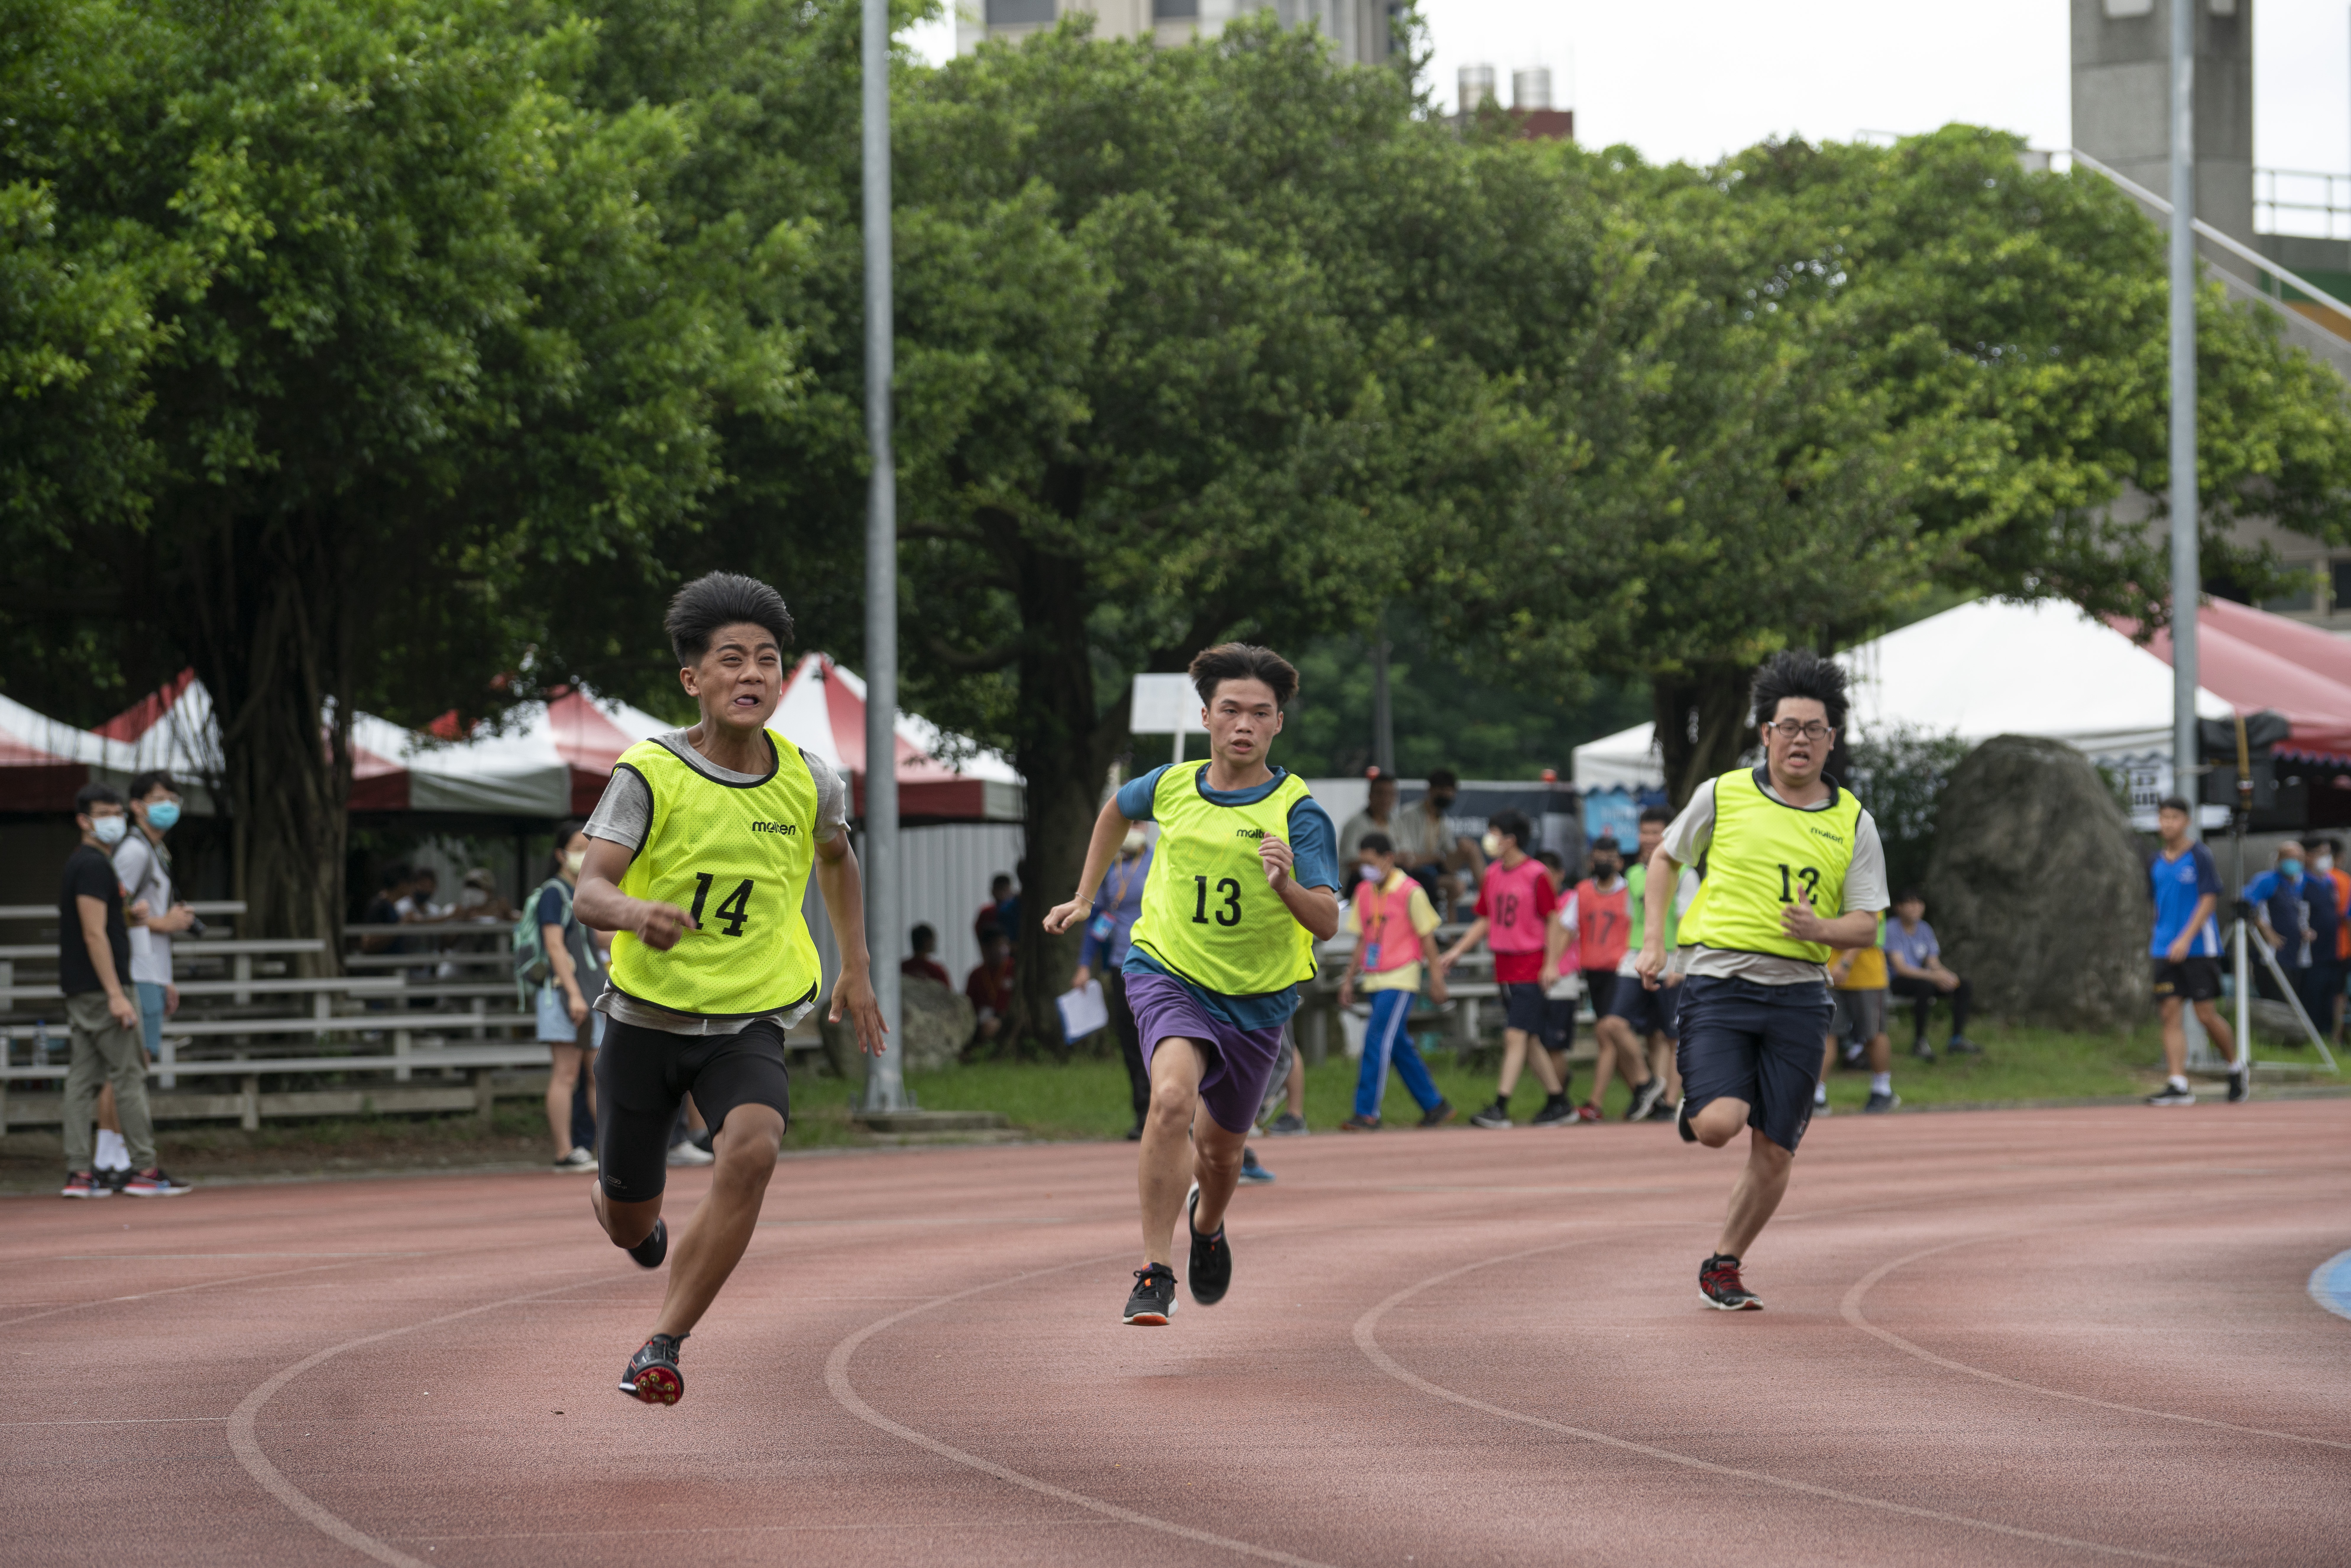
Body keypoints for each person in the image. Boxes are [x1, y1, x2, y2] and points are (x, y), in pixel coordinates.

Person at [571, 571, 887, 1404]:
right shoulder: (650, 773)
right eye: (733, 661)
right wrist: (637, 912)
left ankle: (663, 1343)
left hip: (748, 1016)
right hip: (646, 1018)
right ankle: (625, 1218)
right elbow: (589, 889)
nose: (753, 676)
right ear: (694, 679)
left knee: (752, 1148)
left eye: (769, 662)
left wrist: (855, 967)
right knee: (630, 1218)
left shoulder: (812, 779)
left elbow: (836, 858)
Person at [1042, 643, 1340, 1326]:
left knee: (1221, 1151)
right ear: (1206, 715)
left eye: (1259, 713)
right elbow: (1117, 809)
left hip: (1257, 999)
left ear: (1277, 725)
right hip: (1167, 968)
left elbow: (1326, 921)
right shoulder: (1171, 784)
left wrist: (1286, 883)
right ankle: (1155, 1270)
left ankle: (1208, 1224)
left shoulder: (1300, 813)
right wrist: (1085, 896)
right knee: (1170, 1097)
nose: (1243, 724)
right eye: (1230, 709)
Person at [1636, 650, 1889, 1311]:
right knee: (1721, 1124)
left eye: (1814, 729)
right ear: (1765, 734)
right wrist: (1655, 940)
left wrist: (1821, 931)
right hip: (1719, 981)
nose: (1800, 740)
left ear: (1832, 740)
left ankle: (1723, 1264)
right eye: (1788, 727)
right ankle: (1701, 1112)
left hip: (1801, 995)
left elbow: (1865, 925)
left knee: (1775, 1152)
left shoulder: (1853, 821)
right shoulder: (1723, 794)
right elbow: (1665, 858)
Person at [59, 783, 190, 1200]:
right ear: (83, 820)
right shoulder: (95, 866)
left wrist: (129, 916)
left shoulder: (86, 864)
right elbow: (94, 934)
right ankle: (143, 1167)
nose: (113, 820)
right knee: (130, 1073)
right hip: (103, 988)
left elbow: (102, 924)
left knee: (82, 1079)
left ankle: (80, 1172)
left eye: (117, 812)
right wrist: (116, 992)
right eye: (104, 813)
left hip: (83, 986)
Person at [1442, 811, 1569, 1129]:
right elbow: (1485, 919)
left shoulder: (1536, 874)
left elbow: (1552, 919)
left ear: (1510, 839)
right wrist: (1458, 950)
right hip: (1504, 964)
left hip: (1529, 961)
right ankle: (1558, 1102)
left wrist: (1551, 963)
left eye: (1494, 833)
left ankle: (1500, 1105)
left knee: (1515, 1035)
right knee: (1528, 1039)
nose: (1490, 840)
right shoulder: (1494, 874)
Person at [1338, 831, 1453, 1130]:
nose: (1365, 868)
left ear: (1388, 859)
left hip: (1401, 976)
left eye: (1370, 862)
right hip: (1374, 978)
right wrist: (1348, 980)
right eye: (1362, 863)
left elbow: (1427, 938)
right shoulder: (1364, 892)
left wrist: (1436, 979)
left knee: (1376, 1039)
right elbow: (1363, 939)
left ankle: (1366, 1112)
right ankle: (1434, 1104)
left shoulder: (1410, 891)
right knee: (1397, 1044)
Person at [111, 771, 195, 1177]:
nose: (169, 806)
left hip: (152, 970)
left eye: (174, 798)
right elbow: (115, 913)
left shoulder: (157, 852)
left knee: (134, 1066)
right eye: (159, 798)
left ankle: (116, 1155)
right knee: (129, 1067)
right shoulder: (134, 852)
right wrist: (167, 923)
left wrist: (167, 977)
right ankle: (115, 1157)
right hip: (136, 969)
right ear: (137, 806)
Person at [2146, 797, 2242, 1105]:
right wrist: (2160, 937)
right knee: (2168, 1013)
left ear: (2185, 821)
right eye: (2163, 818)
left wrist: (2185, 939)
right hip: (2163, 948)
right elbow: (2155, 904)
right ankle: (2178, 1083)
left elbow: (2208, 900)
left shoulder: (2199, 855)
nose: (2167, 824)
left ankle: (2234, 1066)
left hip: (2198, 948)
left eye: (2173, 818)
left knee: (2204, 1015)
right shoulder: (2155, 861)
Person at [1589, 814, 1679, 1124]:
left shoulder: (1683, 870)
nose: (1650, 838)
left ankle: (1668, 1102)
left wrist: (1680, 963)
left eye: (1657, 832)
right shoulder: (1634, 874)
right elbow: (1634, 918)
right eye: (1645, 832)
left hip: (1670, 959)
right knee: (1612, 1024)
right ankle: (1647, 1083)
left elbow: (1687, 920)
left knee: (1669, 1036)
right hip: (1636, 958)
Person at [527, 820, 605, 1172]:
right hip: (563, 995)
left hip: (589, 992)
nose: (585, 854)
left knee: (597, 1074)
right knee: (566, 1073)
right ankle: (564, 1151)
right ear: (561, 855)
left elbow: (600, 940)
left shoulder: (582, 892)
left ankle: (607, 1151)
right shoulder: (553, 893)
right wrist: (574, 995)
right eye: (578, 847)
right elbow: (555, 946)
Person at [1072, 827, 1154, 1138]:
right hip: (1121, 965)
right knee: (1130, 1042)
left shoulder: (1159, 860)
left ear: (1145, 829)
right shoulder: (1111, 866)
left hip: (1156, 966)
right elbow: (1100, 919)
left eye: (1137, 825)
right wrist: (1084, 964)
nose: (1132, 832)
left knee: (1157, 1039)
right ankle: (1142, 1113)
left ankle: (1168, 1111)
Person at [1555, 836, 1633, 1122]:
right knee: (1611, 1037)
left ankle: (1595, 1103)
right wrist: (1553, 964)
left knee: (1606, 1034)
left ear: (1619, 862)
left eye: (1610, 857)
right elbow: (1566, 928)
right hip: (1595, 973)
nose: (1604, 862)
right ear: (1590, 861)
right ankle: (1643, 1092)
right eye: (1599, 856)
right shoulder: (1582, 893)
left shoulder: (1629, 893)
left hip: (1622, 971)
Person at [2246, 840, 2339, 1041]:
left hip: (2294, 955)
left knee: (2292, 1001)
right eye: (2289, 857)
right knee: (2275, 1001)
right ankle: (2272, 1042)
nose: (2294, 862)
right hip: (2271, 955)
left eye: (2298, 858)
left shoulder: (2298, 883)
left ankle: (2289, 1042)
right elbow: (2248, 906)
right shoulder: (2267, 880)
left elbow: (2297, 914)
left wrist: (2305, 932)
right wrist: (2267, 932)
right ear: (2279, 859)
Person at [1884, 892, 1975, 1060]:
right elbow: (1901, 968)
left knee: (1963, 985)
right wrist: (1934, 977)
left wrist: (1946, 976)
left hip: (1923, 978)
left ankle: (1957, 1040)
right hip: (1897, 981)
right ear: (1898, 908)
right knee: (1924, 987)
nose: (1916, 908)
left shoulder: (1925, 928)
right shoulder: (1891, 928)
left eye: (1919, 903)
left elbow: (1933, 962)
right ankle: (1920, 1042)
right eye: (1910, 903)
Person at [1821, 918, 1897, 1114]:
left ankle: (1882, 1090)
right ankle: (1816, 1095)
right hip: (1829, 972)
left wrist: (1845, 963)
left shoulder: (1868, 886)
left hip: (1867, 976)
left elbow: (1867, 927)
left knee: (1874, 1033)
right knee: (1827, 1033)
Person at [1393, 767, 1484, 918]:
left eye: (1450, 791)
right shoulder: (1409, 814)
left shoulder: (1443, 820)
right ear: (1431, 790)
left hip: (1435, 870)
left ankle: (1489, 894)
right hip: (1414, 872)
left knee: (1469, 847)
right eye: (1443, 790)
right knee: (1456, 886)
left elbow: (1448, 856)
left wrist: (1442, 858)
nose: (1447, 795)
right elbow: (1408, 859)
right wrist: (1437, 858)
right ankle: (1450, 934)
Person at [2314, 837, 2351, 1041]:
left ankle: (2326, 1036)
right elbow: (2347, 918)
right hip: (2340, 949)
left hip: (2321, 950)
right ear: (2341, 857)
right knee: (2337, 994)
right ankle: (2335, 1037)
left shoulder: (2318, 879)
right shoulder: (2340, 880)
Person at [1337, 769, 1400, 866]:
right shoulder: (1355, 824)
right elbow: (1351, 861)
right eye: (1380, 793)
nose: (1386, 799)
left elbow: (1407, 855)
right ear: (1370, 795)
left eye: (1390, 794)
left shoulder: (1397, 823)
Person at [965, 929, 1015, 1046]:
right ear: (985, 948)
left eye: (1005, 944)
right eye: (998, 944)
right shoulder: (976, 975)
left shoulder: (1014, 969)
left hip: (1008, 1021)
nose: (1002, 949)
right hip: (981, 1024)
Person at [901, 923, 951, 988]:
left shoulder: (902, 968)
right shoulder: (936, 971)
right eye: (933, 940)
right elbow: (948, 995)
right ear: (927, 941)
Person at [975, 873, 1018, 947]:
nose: (1002, 894)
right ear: (993, 892)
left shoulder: (1017, 910)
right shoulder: (987, 914)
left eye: (1004, 890)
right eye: (999, 889)